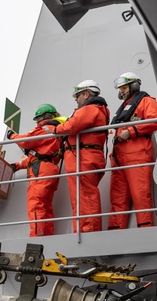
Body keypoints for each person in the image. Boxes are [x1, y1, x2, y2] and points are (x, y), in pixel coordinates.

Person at [45, 80, 110, 232]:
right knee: (81, 197)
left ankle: (87, 233)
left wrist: (54, 130)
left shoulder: (91, 109)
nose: (76, 99)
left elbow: (72, 125)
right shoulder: (98, 109)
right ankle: (82, 231)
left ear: (86, 94)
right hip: (84, 156)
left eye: (78, 95)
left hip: (83, 158)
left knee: (84, 197)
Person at [108, 72, 157, 229]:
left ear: (134, 86)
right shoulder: (125, 107)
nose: (122, 91)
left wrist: (130, 131)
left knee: (140, 196)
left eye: (124, 87)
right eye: (121, 88)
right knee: (117, 198)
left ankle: (145, 231)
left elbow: (155, 120)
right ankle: (115, 233)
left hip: (137, 156)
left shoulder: (146, 101)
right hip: (119, 158)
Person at [7, 103, 63, 237]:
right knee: (46, 206)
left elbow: (26, 141)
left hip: (41, 171)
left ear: (43, 117)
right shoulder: (56, 131)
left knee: (36, 203)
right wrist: (18, 165)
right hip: (50, 169)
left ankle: (37, 237)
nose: (37, 121)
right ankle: (47, 235)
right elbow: (39, 156)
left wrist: (12, 136)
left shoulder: (45, 129)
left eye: (37, 119)